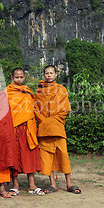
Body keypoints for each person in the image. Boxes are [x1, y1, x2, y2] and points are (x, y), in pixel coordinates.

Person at [34, 65, 81, 194]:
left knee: (63, 155)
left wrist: (49, 121)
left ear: (56, 75)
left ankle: (68, 183)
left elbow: (65, 110)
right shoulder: (39, 92)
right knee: (47, 156)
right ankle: (52, 184)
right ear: (44, 75)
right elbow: (36, 110)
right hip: (44, 129)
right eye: (46, 73)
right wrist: (45, 121)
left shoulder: (61, 89)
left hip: (58, 128)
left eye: (51, 73)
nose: (49, 75)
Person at [5, 68, 44, 196]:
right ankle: (15, 185)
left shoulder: (27, 92)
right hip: (14, 129)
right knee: (14, 156)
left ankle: (31, 184)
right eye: (17, 77)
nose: (19, 79)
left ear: (24, 77)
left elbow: (34, 109)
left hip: (28, 128)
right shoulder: (7, 92)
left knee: (29, 155)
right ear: (12, 77)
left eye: (21, 77)